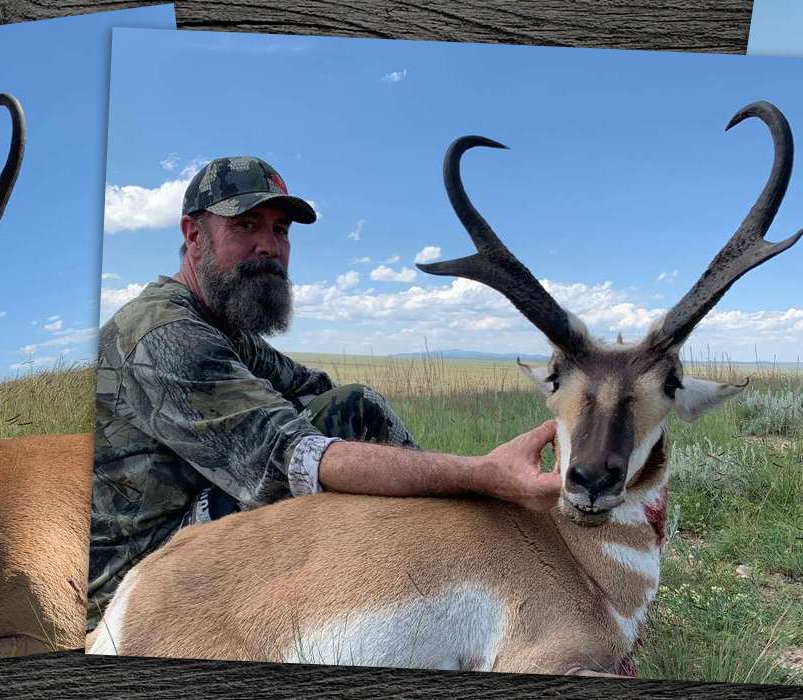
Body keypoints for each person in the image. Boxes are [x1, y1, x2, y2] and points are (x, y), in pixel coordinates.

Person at [87, 157, 561, 626]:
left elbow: (322, 395)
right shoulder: (163, 332)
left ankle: (447, 555)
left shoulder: (226, 330)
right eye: (247, 226)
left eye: (280, 231)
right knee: (326, 462)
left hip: (194, 523)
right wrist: (479, 475)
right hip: (136, 581)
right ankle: (453, 567)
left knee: (352, 408)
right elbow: (292, 457)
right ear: (194, 235)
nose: (268, 247)